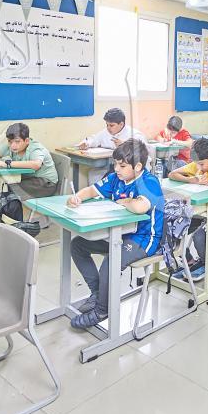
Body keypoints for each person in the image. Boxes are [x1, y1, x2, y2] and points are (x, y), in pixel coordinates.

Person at [67, 140, 164, 328]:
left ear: (138, 166)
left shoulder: (149, 182)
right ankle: (98, 293)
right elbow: (91, 190)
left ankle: (102, 310)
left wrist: (125, 201)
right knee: (77, 245)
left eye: (122, 165)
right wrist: (77, 197)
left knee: (111, 261)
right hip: (119, 234)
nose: (117, 169)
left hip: (144, 239)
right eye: (115, 164)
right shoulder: (115, 178)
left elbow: (140, 207)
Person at [0, 123, 58, 261]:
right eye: (10, 142)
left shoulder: (35, 148)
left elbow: (36, 164)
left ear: (26, 140)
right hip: (28, 181)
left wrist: (7, 163)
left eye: (17, 142)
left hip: (45, 184)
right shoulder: (11, 145)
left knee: (9, 195)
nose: (13, 145)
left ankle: (14, 241)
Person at [168, 138, 208, 281]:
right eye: (197, 164)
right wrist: (190, 180)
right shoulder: (198, 164)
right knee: (175, 229)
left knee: (199, 236)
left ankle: (206, 263)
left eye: (202, 164)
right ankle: (190, 261)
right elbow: (172, 174)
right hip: (200, 210)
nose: (199, 167)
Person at [77, 107, 146, 151]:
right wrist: (86, 143)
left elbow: (144, 152)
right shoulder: (106, 132)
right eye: (107, 125)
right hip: (113, 165)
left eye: (111, 125)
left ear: (121, 124)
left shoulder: (135, 135)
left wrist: (125, 146)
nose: (108, 128)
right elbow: (94, 139)